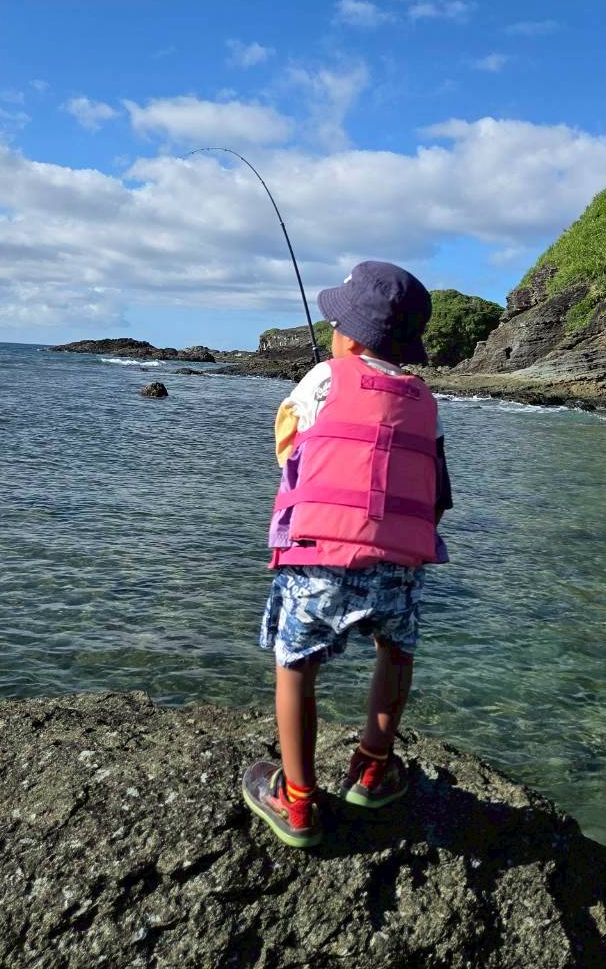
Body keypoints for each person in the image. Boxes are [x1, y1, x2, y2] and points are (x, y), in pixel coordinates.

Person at [242, 261, 453, 847]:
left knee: (296, 664)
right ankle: (371, 767)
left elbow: (289, 447)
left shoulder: (323, 377)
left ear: (351, 336)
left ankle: (299, 800)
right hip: (400, 563)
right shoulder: (425, 398)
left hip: (322, 558)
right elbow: (432, 484)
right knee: (396, 651)